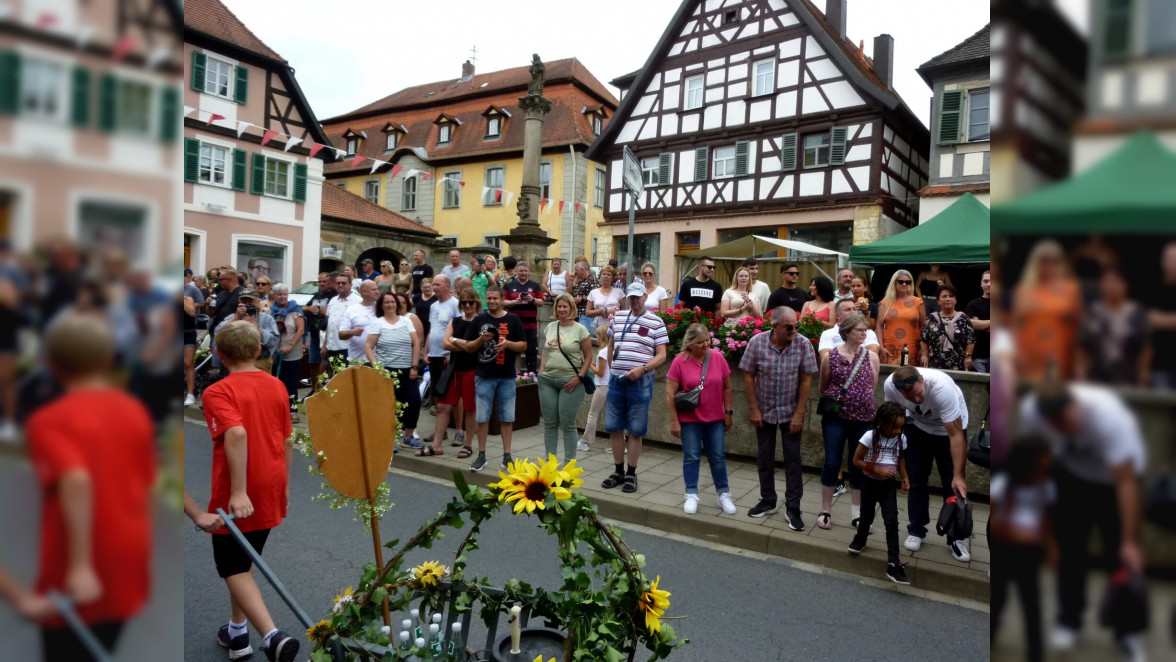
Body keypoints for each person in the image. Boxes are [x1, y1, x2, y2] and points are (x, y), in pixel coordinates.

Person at [23, 314, 156, 662]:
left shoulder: (49, 420)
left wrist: (79, 565)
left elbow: (76, 478)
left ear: (51, 362)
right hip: (128, 552)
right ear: (109, 357)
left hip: (77, 563)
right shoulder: (134, 411)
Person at [186, 320, 301, 662]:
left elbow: (235, 434)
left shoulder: (217, 391)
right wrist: (285, 485)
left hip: (240, 489)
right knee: (244, 560)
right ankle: (237, 634)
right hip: (271, 482)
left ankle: (272, 636)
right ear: (256, 351)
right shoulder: (277, 385)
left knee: (232, 567)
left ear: (218, 354)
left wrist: (237, 491)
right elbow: (287, 439)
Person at [1018, 382, 1146, 656]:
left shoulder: (1109, 418)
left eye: (1068, 422)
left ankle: (1127, 631)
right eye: (1056, 425)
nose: (1064, 429)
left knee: (1120, 557)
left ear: (1076, 406)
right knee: (1070, 553)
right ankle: (1069, 620)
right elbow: (1038, 464)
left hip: (1115, 484)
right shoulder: (1032, 412)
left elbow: (1127, 482)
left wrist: (1130, 541)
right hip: (1072, 479)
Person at [740, 306, 816, 528]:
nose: (794, 330)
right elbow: (748, 374)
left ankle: (793, 508)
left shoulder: (803, 344)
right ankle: (768, 500)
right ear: (775, 326)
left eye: (796, 325)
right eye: (789, 327)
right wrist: (753, 408)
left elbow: (806, 380)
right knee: (764, 456)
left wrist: (799, 414)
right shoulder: (757, 343)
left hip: (791, 411)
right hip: (764, 410)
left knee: (793, 459)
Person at [883, 366, 970, 560]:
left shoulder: (941, 388)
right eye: (909, 397)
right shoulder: (890, 385)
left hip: (949, 431)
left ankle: (956, 538)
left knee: (953, 484)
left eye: (918, 394)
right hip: (918, 428)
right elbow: (893, 416)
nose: (916, 400)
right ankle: (916, 529)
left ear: (922, 380)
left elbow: (956, 436)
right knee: (916, 479)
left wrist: (959, 475)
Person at [990, 436, 1055, 662]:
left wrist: (1052, 547)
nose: (1048, 460)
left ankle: (1035, 652)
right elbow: (994, 523)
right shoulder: (1004, 485)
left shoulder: (1045, 485)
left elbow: (1046, 519)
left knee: (1032, 604)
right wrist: (1013, 534)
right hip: (1005, 550)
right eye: (1043, 456)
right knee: (998, 597)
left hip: (1030, 553)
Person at [600, 281, 669, 494]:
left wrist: (643, 368)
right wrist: (613, 368)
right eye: (631, 297)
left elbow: (662, 355)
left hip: (640, 381)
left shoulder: (656, 322)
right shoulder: (618, 317)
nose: (634, 301)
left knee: (636, 430)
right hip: (617, 380)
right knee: (614, 427)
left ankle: (631, 472)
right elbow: (610, 345)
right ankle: (618, 470)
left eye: (638, 297)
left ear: (645, 298)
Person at [816, 313, 879, 531]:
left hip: (863, 419)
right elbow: (823, 387)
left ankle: (857, 513)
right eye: (860, 330)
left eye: (866, 330)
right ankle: (825, 510)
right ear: (848, 331)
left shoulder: (871, 357)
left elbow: (872, 387)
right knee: (832, 462)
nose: (865, 333)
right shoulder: (830, 356)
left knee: (858, 464)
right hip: (836, 418)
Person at [667, 323, 736, 516]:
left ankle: (723, 494)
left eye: (708, 340)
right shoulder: (679, 362)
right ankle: (691, 493)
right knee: (691, 456)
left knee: (718, 457)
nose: (706, 345)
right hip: (689, 419)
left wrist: (728, 412)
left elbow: (727, 387)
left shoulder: (718, 357)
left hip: (715, 418)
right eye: (700, 342)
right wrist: (674, 420)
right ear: (689, 343)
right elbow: (670, 394)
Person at [460, 286, 526, 472]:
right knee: (482, 417)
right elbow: (468, 347)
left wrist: (508, 344)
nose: (492, 302)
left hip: (506, 376)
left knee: (507, 417)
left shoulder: (512, 319)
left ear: (502, 299)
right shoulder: (479, 320)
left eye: (495, 299)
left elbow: (523, 345)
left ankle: (507, 456)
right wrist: (480, 340)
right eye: (489, 298)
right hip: (484, 375)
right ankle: (482, 455)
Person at [847, 402, 911, 586]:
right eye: (894, 427)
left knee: (892, 521)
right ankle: (860, 539)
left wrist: (905, 477)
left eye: (901, 427)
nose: (898, 431)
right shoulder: (870, 436)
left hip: (888, 486)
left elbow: (900, 460)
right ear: (882, 423)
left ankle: (894, 562)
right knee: (866, 517)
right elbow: (856, 460)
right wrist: (876, 469)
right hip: (869, 483)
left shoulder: (901, 439)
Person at [1013, 240, 1081, 381]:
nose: (1050, 264)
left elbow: (1079, 326)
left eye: (1055, 260)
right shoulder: (1024, 290)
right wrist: (1017, 354)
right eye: (1044, 260)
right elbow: (1015, 325)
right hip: (1029, 355)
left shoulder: (1071, 289)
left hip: (1060, 353)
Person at [365, 291, 423, 449]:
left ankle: (408, 438)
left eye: (393, 302)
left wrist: (414, 366)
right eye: (387, 302)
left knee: (414, 402)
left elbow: (416, 343)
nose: (390, 305)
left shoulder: (406, 321)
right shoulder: (378, 323)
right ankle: (390, 439)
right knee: (389, 406)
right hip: (387, 371)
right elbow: (368, 346)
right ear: (381, 306)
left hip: (407, 370)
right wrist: (377, 366)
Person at [538, 293, 592, 462]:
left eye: (565, 306)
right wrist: (541, 371)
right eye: (559, 306)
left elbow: (589, 356)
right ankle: (550, 463)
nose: (561, 309)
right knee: (550, 423)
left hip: (571, 381)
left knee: (568, 423)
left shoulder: (580, 329)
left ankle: (569, 464)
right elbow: (546, 349)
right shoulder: (551, 326)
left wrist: (579, 377)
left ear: (571, 308)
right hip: (548, 380)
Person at [1077, 267, 1151, 387]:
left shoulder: (1137, 312)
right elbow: (1082, 346)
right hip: (1097, 375)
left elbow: (1146, 347)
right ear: (1100, 286)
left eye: (1116, 281)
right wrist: (1080, 371)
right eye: (1107, 282)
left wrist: (1143, 372)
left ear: (1125, 285)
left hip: (1128, 375)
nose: (1111, 286)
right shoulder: (1092, 312)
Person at [431, 288, 480, 458]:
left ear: (477, 303)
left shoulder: (480, 322)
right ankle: (436, 445)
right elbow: (445, 344)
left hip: (472, 369)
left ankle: (468, 444)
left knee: (470, 408)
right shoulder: (455, 320)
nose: (467, 305)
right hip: (454, 368)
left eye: (470, 302)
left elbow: (474, 347)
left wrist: (455, 341)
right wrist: (465, 344)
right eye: (464, 302)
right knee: (443, 406)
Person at [215, 289, 279, 373]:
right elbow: (217, 334)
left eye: (250, 302)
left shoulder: (267, 319)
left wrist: (256, 328)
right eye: (244, 302)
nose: (247, 305)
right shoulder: (232, 317)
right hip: (235, 361)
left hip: (260, 361)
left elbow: (274, 341)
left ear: (258, 302)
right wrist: (236, 318)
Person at [268, 284, 305, 422]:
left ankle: (292, 410)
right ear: (274, 296)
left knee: (290, 382)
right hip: (274, 351)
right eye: (279, 295)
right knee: (275, 381)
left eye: (285, 294)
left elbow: (300, 330)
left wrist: (290, 345)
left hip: (292, 352)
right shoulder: (271, 311)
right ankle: (277, 410)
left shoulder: (295, 310)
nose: (282, 297)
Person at [920, 284, 976, 371]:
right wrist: (924, 355)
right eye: (944, 296)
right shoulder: (931, 318)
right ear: (938, 301)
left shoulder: (964, 318)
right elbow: (924, 339)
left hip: (958, 364)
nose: (948, 299)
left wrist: (968, 357)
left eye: (951, 296)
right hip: (935, 364)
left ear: (955, 300)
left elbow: (971, 340)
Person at [876, 269, 926, 366]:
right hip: (889, 349)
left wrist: (923, 350)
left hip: (913, 348)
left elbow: (924, 327)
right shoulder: (885, 303)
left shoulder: (918, 302)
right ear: (894, 283)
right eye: (901, 282)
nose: (904, 284)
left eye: (908, 282)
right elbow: (879, 326)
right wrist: (881, 347)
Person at [502, 262, 544, 373]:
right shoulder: (509, 285)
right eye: (521, 271)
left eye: (525, 271)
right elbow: (503, 303)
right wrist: (515, 301)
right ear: (517, 272)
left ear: (528, 272)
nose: (523, 273)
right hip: (514, 325)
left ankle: (531, 375)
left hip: (530, 325)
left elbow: (541, 302)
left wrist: (532, 299)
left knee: (531, 351)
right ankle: (515, 375)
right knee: (514, 351)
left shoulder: (535, 285)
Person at [577, 324, 612, 453]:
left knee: (593, 413)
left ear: (602, 337)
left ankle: (584, 441)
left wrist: (589, 365)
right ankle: (619, 444)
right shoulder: (611, 350)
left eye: (597, 336)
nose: (595, 339)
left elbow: (600, 372)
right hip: (611, 385)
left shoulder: (603, 352)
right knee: (613, 415)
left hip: (603, 386)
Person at [302, 272, 335, 392]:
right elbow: (303, 308)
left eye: (324, 282)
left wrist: (313, 309)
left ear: (330, 283)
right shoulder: (316, 295)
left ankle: (323, 390)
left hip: (325, 334)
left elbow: (324, 312)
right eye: (319, 282)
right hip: (314, 333)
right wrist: (309, 308)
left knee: (324, 363)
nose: (321, 284)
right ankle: (314, 390)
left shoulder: (334, 296)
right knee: (313, 363)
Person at [1150, 240, 1176, 389]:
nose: (1173, 263)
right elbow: (1147, 320)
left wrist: (1162, 319)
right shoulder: (1152, 287)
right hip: (1159, 364)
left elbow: (1156, 319)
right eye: (1170, 259)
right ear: (1162, 262)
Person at [325, 273, 359, 373]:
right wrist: (324, 346)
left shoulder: (357, 301)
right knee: (333, 380)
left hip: (347, 348)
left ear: (350, 285)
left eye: (343, 283)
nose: (340, 285)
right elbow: (329, 325)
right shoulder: (333, 300)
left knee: (345, 380)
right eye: (338, 283)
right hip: (331, 347)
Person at [338, 281, 378, 363]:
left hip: (379, 361)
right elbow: (341, 335)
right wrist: (353, 332)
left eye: (377, 289)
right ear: (364, 292)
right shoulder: (351, 310)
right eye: (374, 290)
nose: (377, 292)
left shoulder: (382, 308)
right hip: (358, 360)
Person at [184, 268, 206, 406]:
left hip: (187, 330)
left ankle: (191, 393)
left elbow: (192, 311)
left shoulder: (190, 292)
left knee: (188, 363)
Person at [964, 270, 991, 373]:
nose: (989, 284)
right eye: (986, 281)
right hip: (978, 355)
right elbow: (971, 324)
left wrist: (982, 324)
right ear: (981, 283)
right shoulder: (973, 304)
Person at [570, 260, 600, 330]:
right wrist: (571, 280)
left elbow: (595, 296)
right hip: (576, 313)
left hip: (585, 315)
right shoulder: (579, 281)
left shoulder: (592, 279)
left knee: (583, 336)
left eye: (576, 269)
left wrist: (582, 299)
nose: (575, 272)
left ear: (582, 269)